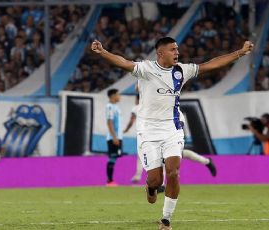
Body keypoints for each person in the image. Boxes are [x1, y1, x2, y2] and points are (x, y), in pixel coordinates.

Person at [91, 37, 254, 229]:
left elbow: (210, 65)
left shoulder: (181, 71)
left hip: (172, 128)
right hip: (148, 131)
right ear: (160, 53)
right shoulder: (146, 69)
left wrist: (240, 53)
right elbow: (124, 62)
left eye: (177, 49)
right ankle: (151, 187)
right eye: (172, 50)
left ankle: (166, 220)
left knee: (173, 172)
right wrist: (103, 52)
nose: (177, 53)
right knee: (156, 179)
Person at [125, 96, 217, 183]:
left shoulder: (165, 108)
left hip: (171, 136)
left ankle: (149, 180)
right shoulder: (150, 108)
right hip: (156, 136)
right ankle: (207, 161)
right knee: (167, 157)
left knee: (169, 157)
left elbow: (181, 120)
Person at [105, 89, 123, 186]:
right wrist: (114, 137)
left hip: (118, 137)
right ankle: (109, 181)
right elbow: (109, 122)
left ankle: (111, 180)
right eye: (118, 95)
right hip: (113, 138)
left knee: (115, 158)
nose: (119, 97)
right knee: (112, 158)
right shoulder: (110, 107)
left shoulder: (116, 107)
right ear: (112, 96)